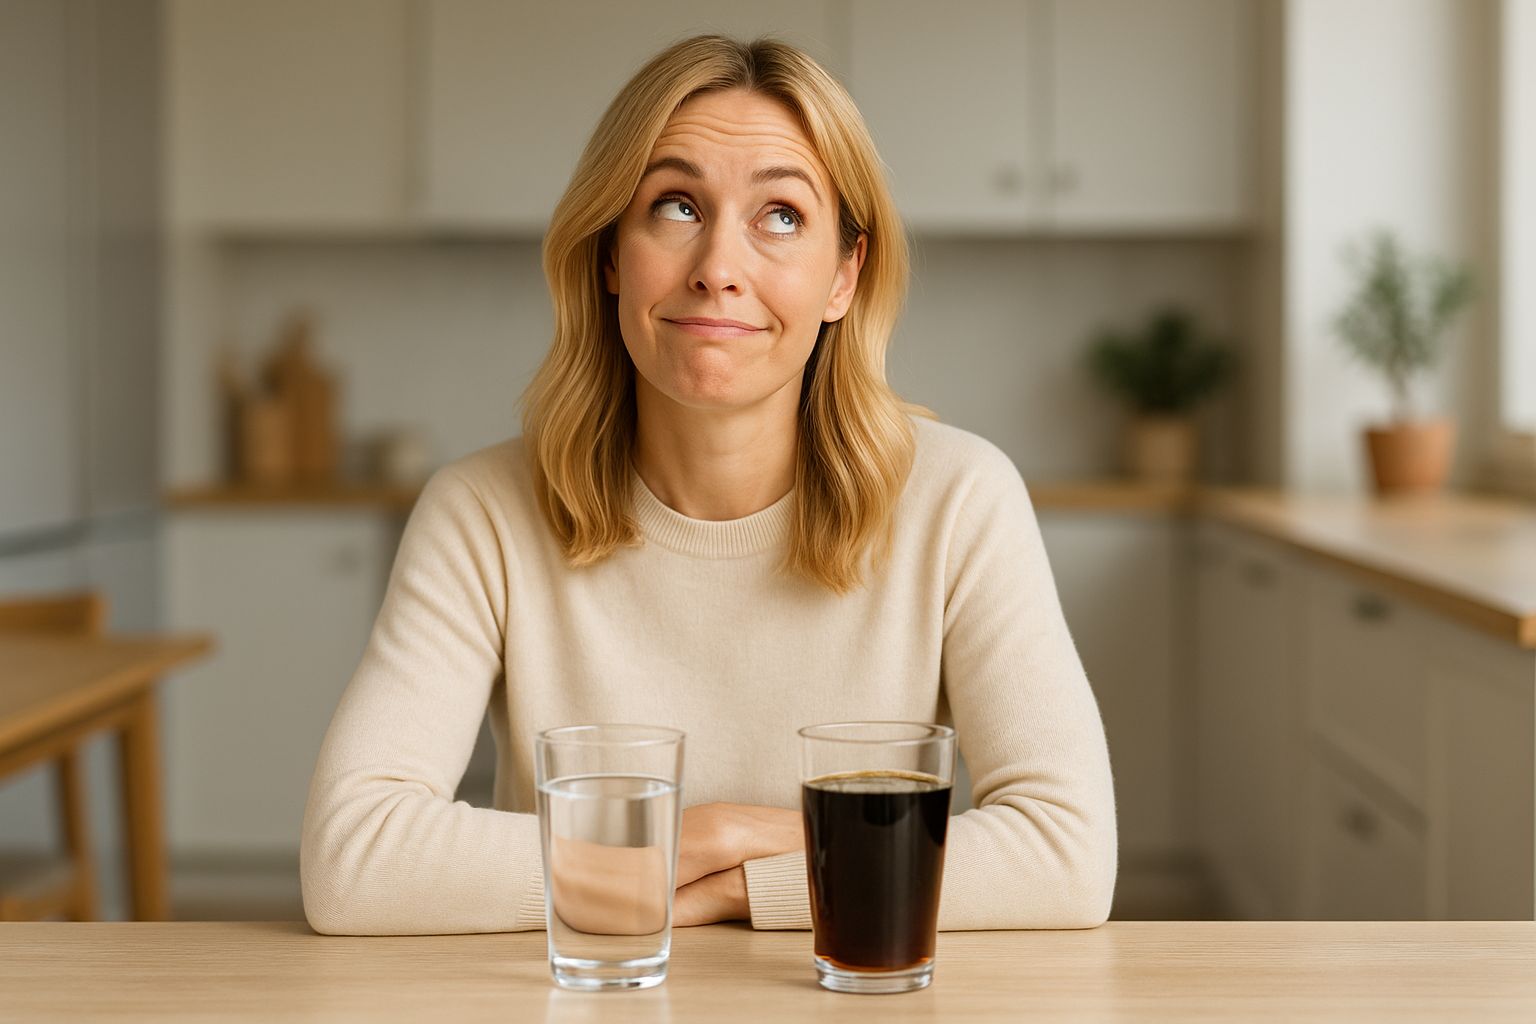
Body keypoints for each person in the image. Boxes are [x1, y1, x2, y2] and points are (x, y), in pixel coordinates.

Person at [300, 34, 1117, 935]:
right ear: (612, 254)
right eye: (677, 205)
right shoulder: (482, 513)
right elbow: (353, 860)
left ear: (845, 275)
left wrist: (734, 879)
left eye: (781, 217)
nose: (718, 268)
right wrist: (716, 839)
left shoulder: (961, 502)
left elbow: (1066, 856)